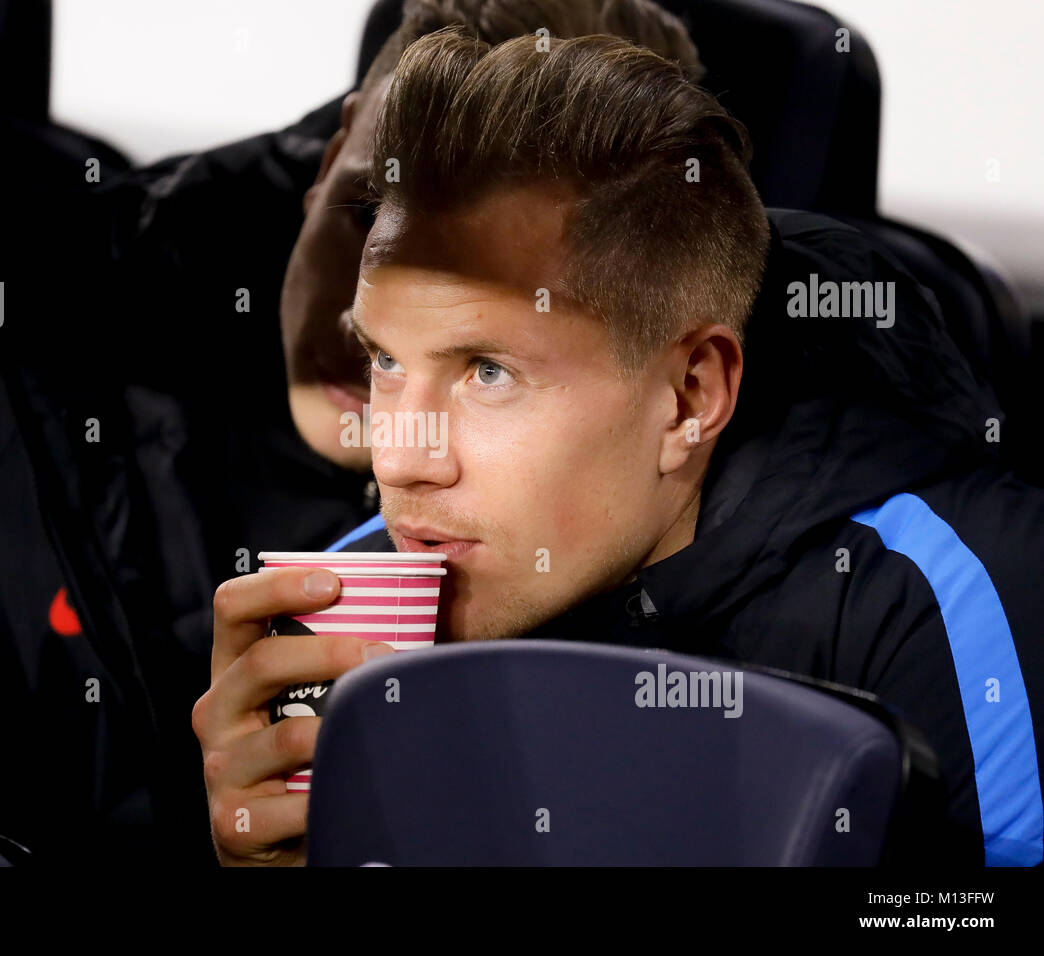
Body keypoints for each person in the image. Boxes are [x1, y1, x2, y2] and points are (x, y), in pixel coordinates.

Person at [0, 0, 703, 865]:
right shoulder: (30, 376)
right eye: (361, 212)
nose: (359, 319)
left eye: (483, 330)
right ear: (332, 152)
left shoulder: (694, 551)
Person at [195, 28, 1044, 867]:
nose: (402, 461)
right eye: (385, 360)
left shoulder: (950, 597)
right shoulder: (354, 576)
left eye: (488, 372)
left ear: (689, 397)